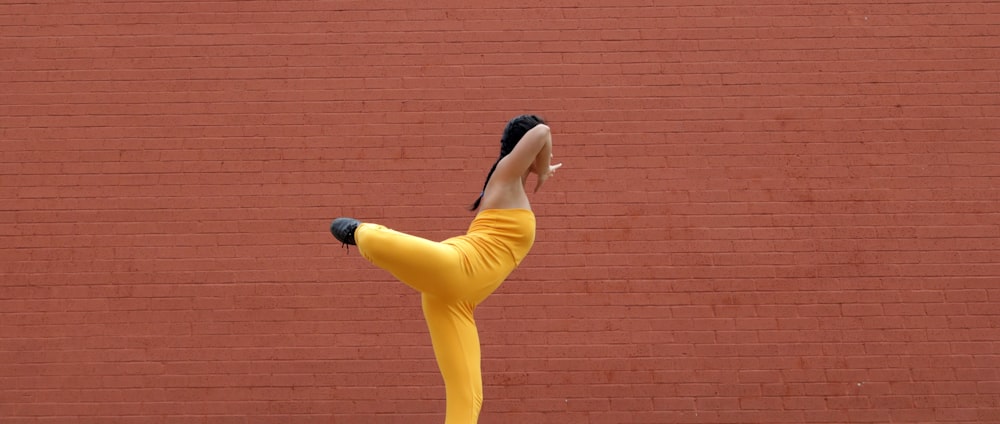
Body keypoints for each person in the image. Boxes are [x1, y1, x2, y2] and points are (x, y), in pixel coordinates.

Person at [329, 114, 561, 424]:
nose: (550, 154)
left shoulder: (510, 182)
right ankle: (359, 232)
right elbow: (542, 130)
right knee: (376, 239)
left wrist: (540, 165)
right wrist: (543, 169)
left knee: (468, 395)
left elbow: (540, 135)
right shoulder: (505, 174)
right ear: (526, 149)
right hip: (457, 267)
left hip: (457, 303)